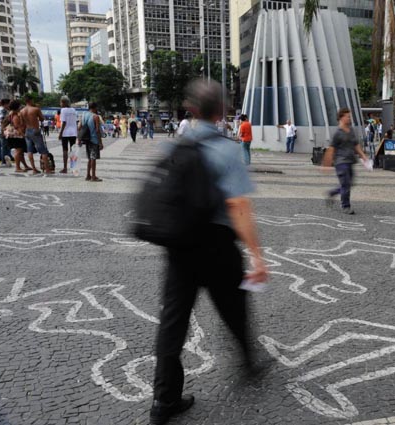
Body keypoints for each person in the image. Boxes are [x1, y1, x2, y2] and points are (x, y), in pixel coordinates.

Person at [149, 79, 268, 425]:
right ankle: (248, 361)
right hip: (216, 246)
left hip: (179, 246)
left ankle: (163, 400)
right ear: (221, 112)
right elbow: (238, 207)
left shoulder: (175, 146)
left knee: (172, 323)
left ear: (192, 109)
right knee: (234, 308)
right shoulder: (227, 150)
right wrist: (257, 256)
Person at [323, 107, 369, 215]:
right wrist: (326, 164)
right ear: (341, 118)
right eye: (348, 117)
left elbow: (356, 144)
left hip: (350, 161)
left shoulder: (351, 130)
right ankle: (345, 206)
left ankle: (332, 193)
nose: (349, 119)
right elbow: (331, 149)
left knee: (349, 183)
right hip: (340, 162)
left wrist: (363, 156)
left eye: (350, 117)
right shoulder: (337, 133)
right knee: (346, 184)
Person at [21, 95, 52, 174]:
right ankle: (47, 169)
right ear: (31, 100)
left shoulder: (22, 111)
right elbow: (42, 119)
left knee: (29, 150)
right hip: (35, 130)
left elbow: (22, 123)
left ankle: (34, 169)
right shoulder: (35, 109)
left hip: (27, 131)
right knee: (43, 151)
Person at [2, 100, 31, 173]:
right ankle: (17, 167)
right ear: (17, 107)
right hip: (16, 136)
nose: (21, 107)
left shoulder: (11, 113)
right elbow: (16, 126)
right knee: (18, 151)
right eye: (20, 106)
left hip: (14, 135)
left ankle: (25, 165)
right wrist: (23, 134)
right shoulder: (15, 115)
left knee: (20, 152)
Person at [80, 102, 103, 182]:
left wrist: (79, 139)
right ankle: (93, 176)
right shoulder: (95, 116)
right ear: (95, 108)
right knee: (93, 158)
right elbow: (97, 130)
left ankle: (88, 175)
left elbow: (79, 127)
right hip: (94, 139)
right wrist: (100, 142)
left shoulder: (83, 115)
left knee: (89, 158)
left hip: (86, 139)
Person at [58, 96, 78, 174]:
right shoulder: (73, 110)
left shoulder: (63, 110)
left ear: (63, 102)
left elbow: (64, 122)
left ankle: (65, 168)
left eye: (61, 102)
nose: (60, 104)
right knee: (73, 150)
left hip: (65, 133)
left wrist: (60, 133)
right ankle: (73, 168)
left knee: (65, 150)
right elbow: (76, 121)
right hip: (73, 132)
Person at [0, 99, 12, 166]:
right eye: (9, 103)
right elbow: (2, 121)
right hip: (3, 130)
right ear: (5, 104)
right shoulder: (4, 110)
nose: (9, 105)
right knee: (5, 146)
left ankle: (0, 158)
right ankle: (4, 161)